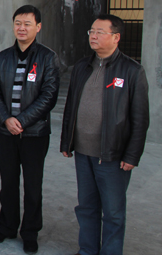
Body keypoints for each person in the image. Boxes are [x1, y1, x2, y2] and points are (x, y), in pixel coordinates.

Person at [60, 14, 149, 255]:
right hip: (83, 152)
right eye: (92, 31)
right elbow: (71, 106)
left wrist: (132, 155)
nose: (93, 36)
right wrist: (67, 141)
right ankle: (88, 250)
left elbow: (140, 118)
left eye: (100, 32)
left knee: (113, 212)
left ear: (116, 37)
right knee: (86, 207)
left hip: (112, 155)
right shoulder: (82, 67)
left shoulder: (132, 70)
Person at [0, 5, 60, 254]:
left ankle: (30, 232)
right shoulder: (3, 57)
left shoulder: (47, 58)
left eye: (27, 24)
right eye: (18, 23)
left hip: (34, 134)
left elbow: (49, 96)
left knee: (32, 186)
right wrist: (7, 120)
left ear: (38, 27)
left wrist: (22, 121)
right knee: (8, 183)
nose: (21, 28)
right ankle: (7, 227)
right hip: (6, 132)